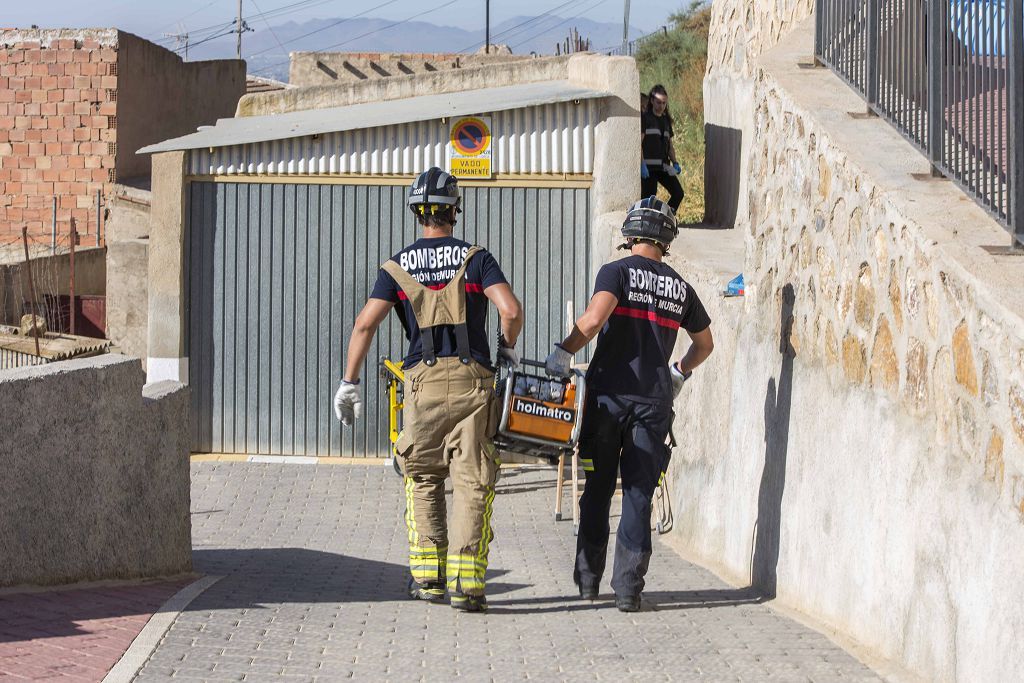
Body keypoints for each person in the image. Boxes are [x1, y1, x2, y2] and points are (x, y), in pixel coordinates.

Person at [334, 167, 524, 613]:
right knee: (473, 482)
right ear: (455, 210)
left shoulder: (396, 267)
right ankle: (467, 586)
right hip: (474, 382)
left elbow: (365, 323)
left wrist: (349, 382)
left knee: (422, 475)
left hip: (421, 384)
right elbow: (510, 311)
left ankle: (428, 581)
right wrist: (507, 353)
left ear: (417, 213)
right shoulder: (477, 259)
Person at [544, 196, 714, 612]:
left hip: (607, 401)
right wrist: (678, 372)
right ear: (667, 240)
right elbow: (705, 344)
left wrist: (562, 354)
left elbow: (593, 321)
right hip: (653, 404)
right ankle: (628, 590)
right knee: (639, 494)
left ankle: (587, 582)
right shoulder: (682, 288)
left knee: (597, 490)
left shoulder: (616, 272)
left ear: (631, 233)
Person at [641, 84, 685, 215]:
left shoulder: (666, 121)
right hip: (648, 169)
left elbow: (670, 145)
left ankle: (664, 218)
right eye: (659, 102)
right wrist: (642, 164)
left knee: (678, 193)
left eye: (664, 103)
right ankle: (647, 225)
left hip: (663, 167)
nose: (661, 106)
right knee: (649, 201)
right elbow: (639, 143)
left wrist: (675, 162)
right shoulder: (645, 118)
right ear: (652, 101)